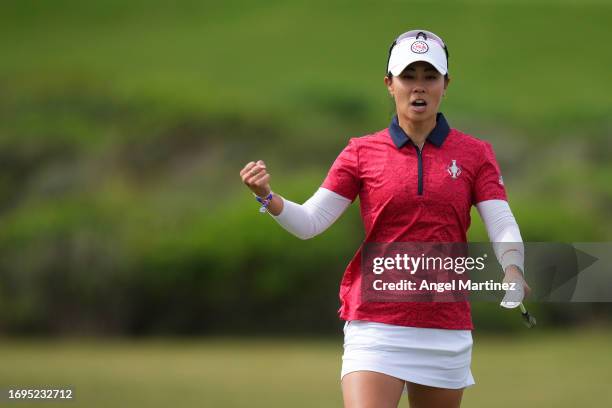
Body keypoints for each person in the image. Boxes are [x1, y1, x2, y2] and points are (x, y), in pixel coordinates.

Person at [239, 29, 531, 408]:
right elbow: (311, 222)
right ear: (389, 84)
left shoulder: (475, 154)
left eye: (430, 77)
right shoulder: (361, 152)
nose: (419, 88)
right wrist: (268, 197)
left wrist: (512, 267)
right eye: (409, 77)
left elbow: (501, 221)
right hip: (375, 323)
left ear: (446, 83)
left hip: (445, 323)